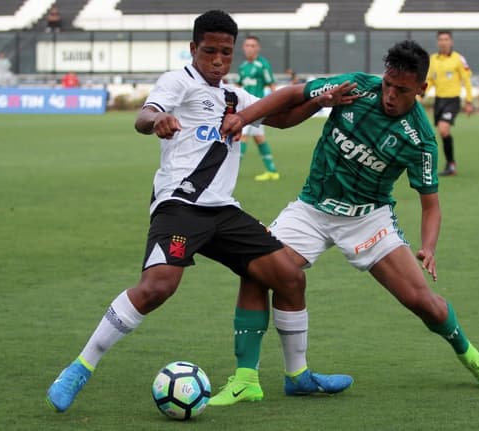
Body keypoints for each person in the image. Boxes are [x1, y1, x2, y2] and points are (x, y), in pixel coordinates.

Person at [45, 10, 353, 413]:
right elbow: (144, 116)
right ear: (193, 49)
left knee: (289, 277)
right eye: (209, 51)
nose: (218, 60)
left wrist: (320, 102)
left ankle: (298, 376)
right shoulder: (178, 82)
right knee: (158, 287)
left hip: (223, 211)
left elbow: (281, 119)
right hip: (180, 207)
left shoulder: (236, 97)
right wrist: (159, 120)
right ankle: (79, 368)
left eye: (226, 52)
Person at [210, 40, 479, 406]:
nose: (390, 95)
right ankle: (247, 379)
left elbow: (431, 206)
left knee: (422, 302)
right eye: (388, 84)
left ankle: (469, 353)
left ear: (421, 90)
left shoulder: (421, 140)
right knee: (257, 270)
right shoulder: (356, 86)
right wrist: (245, 116)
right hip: (312, 209)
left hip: (368, 219)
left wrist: (428, 247)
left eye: (402, 90)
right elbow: (291, 93)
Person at [425, 31, 473, 176]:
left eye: (446, 39)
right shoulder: (432, 59)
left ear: (451, 42)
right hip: (439, 101)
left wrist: (469, 101)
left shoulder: (458, 59)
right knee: (442, 133)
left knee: (443, 130)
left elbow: (466, 80)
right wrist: (420, 95)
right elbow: (430, 81)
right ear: (437, 42)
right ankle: (450, 164)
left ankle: (451, 165)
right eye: (440, 39)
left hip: (453, 100)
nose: (443, 42)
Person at [237, 35, 280, 181]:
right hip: (244, 106)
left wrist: (278, 105)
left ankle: (232, 172)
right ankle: (272, 171)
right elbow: (238, 85)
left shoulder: (262, 65)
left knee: (241, 137)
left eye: (252, 45)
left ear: (258, 48)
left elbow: (272, 85)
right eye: (247, 45)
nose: (249, 48)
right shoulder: (243, 67)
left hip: (256, 107)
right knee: (259, 138)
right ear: (243, 48)